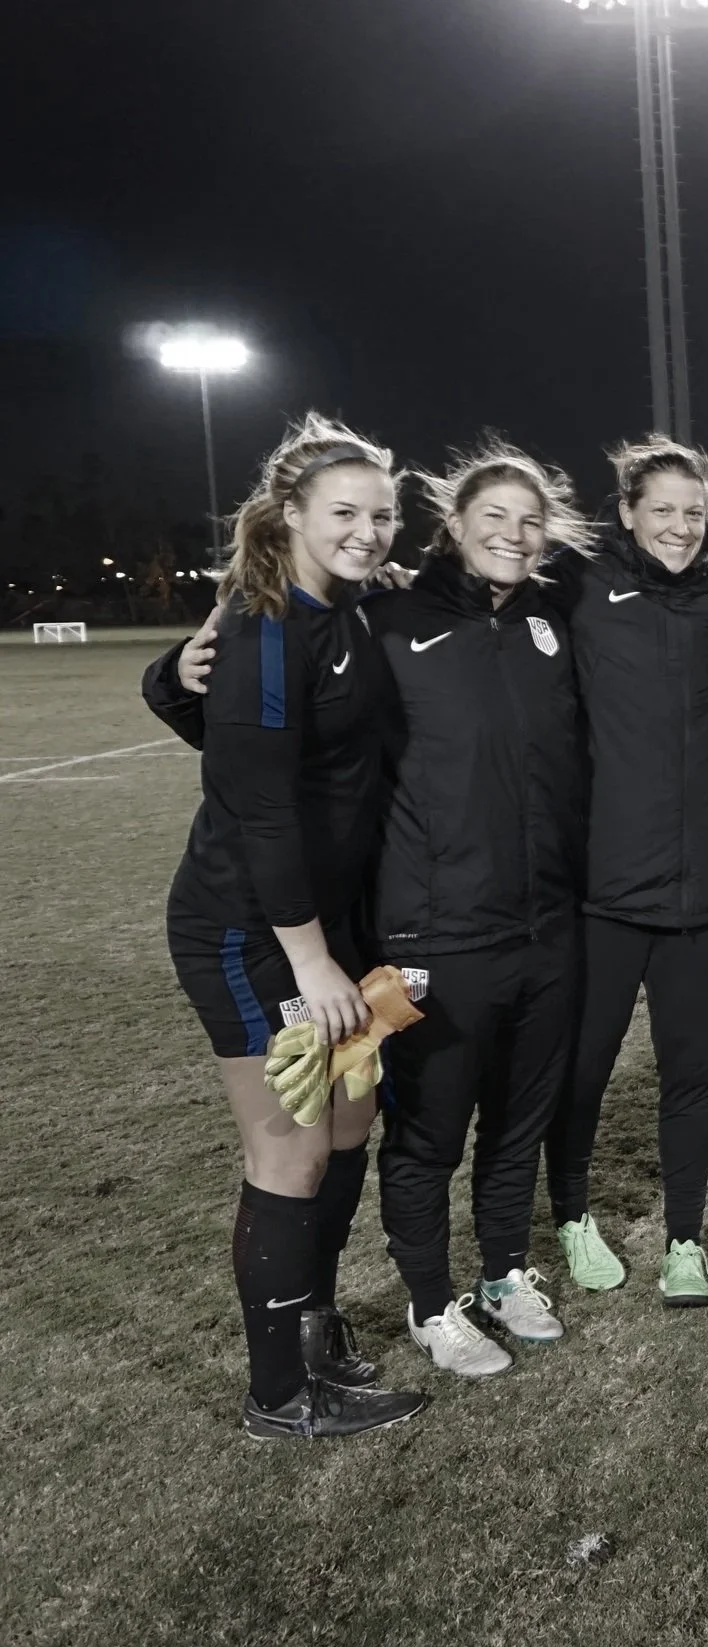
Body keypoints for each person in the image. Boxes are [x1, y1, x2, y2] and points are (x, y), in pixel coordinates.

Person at [154, 413, 430, 1437]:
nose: (367, 531)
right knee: (292, 1151)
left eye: (382, 514)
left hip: (331, 926)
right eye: (345, 513)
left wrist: (166, 680)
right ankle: (278, 1393)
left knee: (350, 1124)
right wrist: (311, 961)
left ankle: (314, 1331)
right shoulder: (264, 623)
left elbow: (229, 727)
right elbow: (262, 807)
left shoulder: (346, 607)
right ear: (292, 515)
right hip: (251, 931)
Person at [542, 438, 708, 1306]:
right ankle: (572, 1215)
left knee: (694, 1077)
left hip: (704, 894)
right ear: (628, 511)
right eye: (663, 510)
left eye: (694, 511)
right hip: (603, 891)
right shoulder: (578, 584)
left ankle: (686, 1240)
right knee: (582, 1071)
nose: (679, 526)